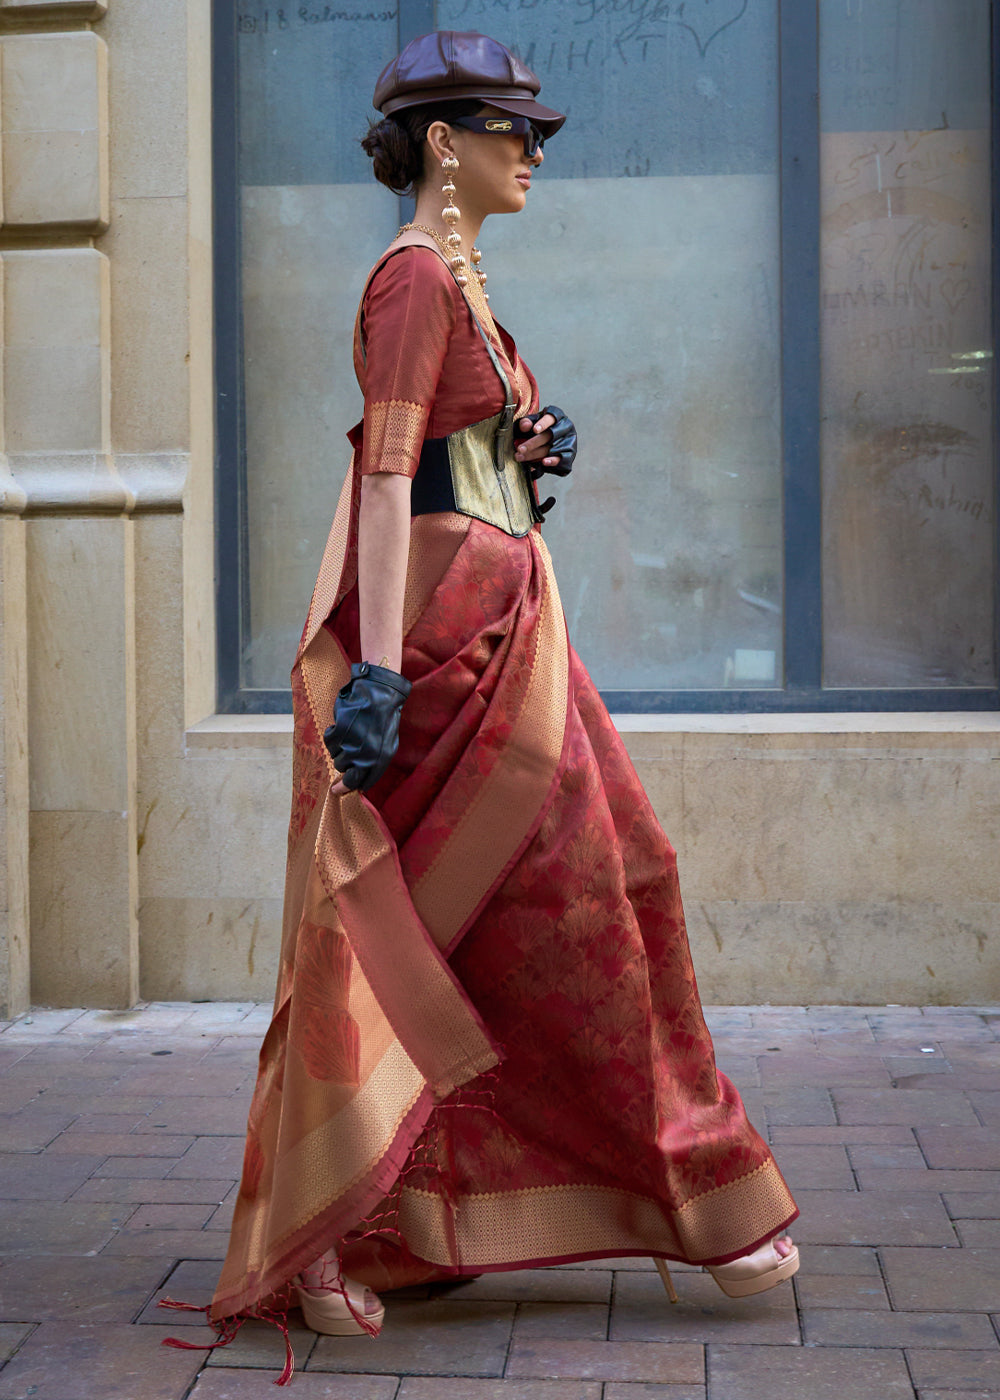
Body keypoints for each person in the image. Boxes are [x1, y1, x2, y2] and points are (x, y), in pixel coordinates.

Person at [160, 28, 799, 1386]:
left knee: (563, 902)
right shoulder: (409, 283)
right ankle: (353, 1232)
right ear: (444, 142)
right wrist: (380, 671)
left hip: (510, 626)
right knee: (449, 923)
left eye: (533, 128)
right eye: (514, 129)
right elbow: (390, 483)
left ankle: (418, 1222)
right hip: (450, 646)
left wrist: (521, 441)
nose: (536, 150)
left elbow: (451, 460)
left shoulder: (458, 279)